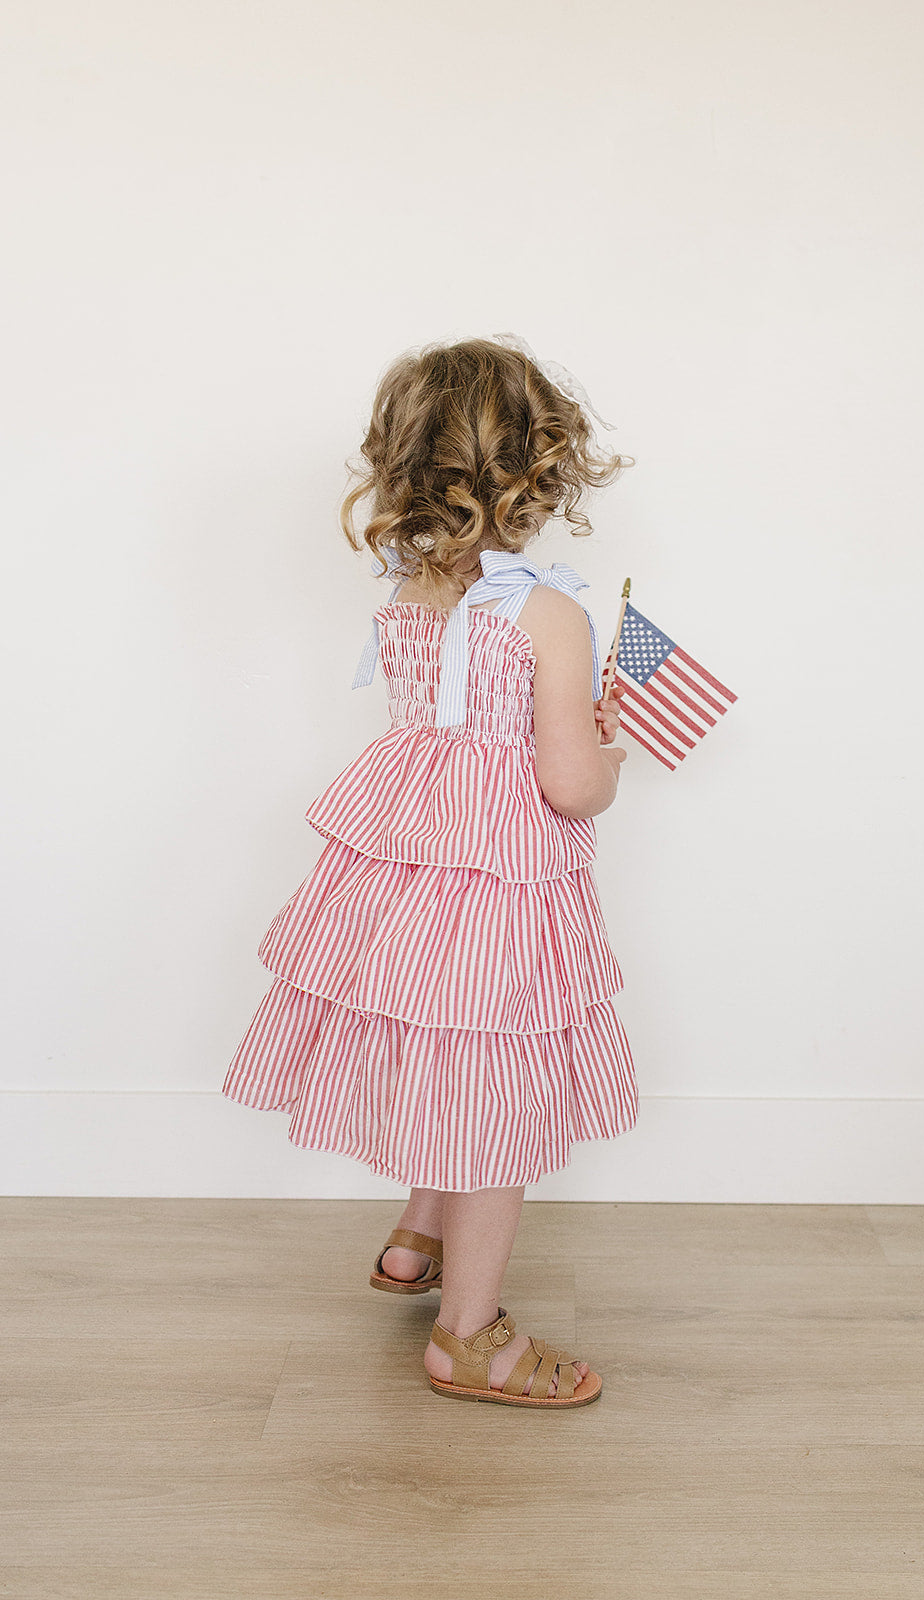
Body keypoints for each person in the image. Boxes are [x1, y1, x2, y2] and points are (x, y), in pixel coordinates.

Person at [222, 335, 638, 1409]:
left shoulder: (408, 588)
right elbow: (569, 787)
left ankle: (418, 1234)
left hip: (405, 874)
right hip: (494, 887)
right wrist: (611, 749)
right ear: (538, 470)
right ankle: (467, 1335)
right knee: (491, 1082)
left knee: (433, 1037)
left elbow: (441, 723)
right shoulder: (549, 615)